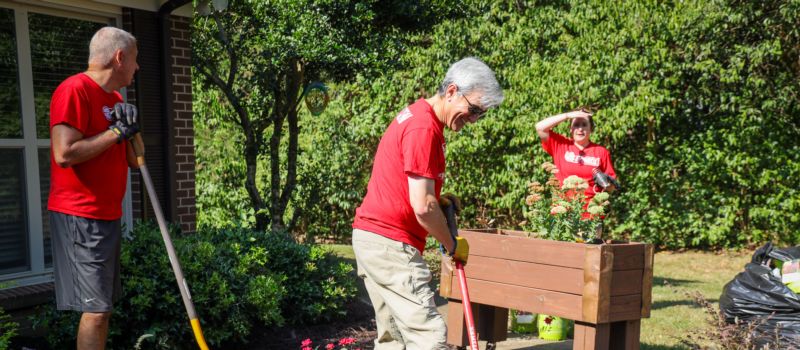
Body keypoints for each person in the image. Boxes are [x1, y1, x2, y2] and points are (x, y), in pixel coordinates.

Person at [351, 57, 504, 350]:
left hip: (371, 238)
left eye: (480, 114)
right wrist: (451, 244)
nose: (472, 119)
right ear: (451, 91)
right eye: (472, 109)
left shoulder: (417, 116)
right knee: (429, 337)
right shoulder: (424, 129)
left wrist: (437, 197)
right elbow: (422, 207)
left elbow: (413, 190)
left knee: (393, 339)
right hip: (391, 245)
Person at [48, 26, 140, 350]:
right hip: (80, 215)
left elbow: (134, 160)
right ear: (119, 57)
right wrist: (116, 133)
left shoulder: (114, 98)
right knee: (96, 310)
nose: (137, 67)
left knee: (102, 309)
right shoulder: (74, 90)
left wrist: (131, 129)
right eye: (135, 59)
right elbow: (64, 153)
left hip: (106, 215)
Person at [535, 108, 617, 206]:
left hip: (591, 214)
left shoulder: (601, 151)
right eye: (576, 125)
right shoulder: (560, 145)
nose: (580, 129)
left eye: (584, 124)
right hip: (563, 212)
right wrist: (568, 115)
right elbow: (540, 127)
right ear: (571, 128)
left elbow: (611, 188)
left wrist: (606, 182)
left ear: (591, 129)